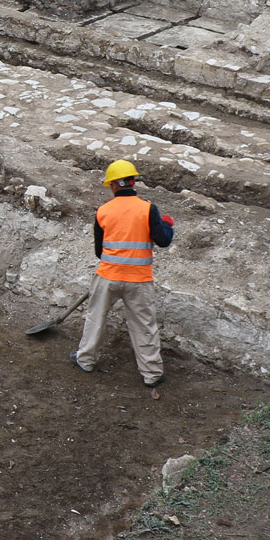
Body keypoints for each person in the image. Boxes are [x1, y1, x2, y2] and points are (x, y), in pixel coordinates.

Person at [70, 160, 175, 387]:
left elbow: (99, 251)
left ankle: (86, 360)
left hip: (108, 276)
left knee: (95, 318)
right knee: (144, 325)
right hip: (139, 280)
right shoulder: (149, 209)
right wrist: (166, 225)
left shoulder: (103, 211)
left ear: (114, 186)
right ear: (133, 182)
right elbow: (164, 240)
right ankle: (152, 374)